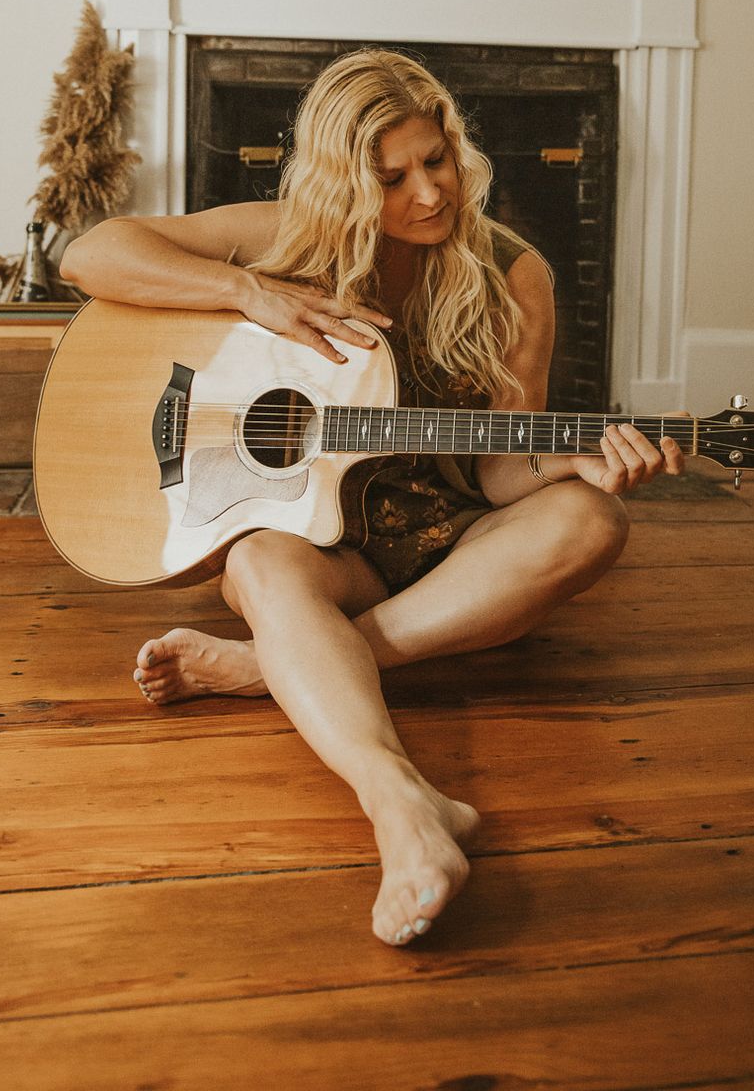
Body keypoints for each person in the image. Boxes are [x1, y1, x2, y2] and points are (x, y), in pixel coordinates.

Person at [60, 48, 684, 947]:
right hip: (324, 545)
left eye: (437, 160)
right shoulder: (284, 240)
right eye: (391, 179)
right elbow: (90, 254)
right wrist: (249, 294)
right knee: (257, 558)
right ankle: (402, 803)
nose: (428, 192)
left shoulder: (513, 275)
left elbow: (502, 469)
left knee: (592, 521)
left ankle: (274, 662)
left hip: (450, 547)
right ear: (341, 182)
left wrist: (573, 464)